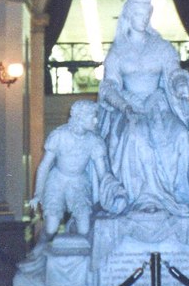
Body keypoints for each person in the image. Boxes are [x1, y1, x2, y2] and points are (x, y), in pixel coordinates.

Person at [98, 0, 189, 215]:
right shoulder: (117, 52)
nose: (143, 19)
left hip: (158, 105)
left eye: (146, 15)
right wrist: (124, 106)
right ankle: (144, 197)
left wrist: (181, 83)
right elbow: (110, 85)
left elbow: (173, 72)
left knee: (180, 134)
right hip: (128, 107)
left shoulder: (162, 47)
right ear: (128, 16)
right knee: (136, 136)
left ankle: (178, 195)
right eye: (138, 14)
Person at [30, 99, 126, 238]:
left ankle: (75, 247)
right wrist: (38, 193)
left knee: (84, 228)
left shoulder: (94, 141)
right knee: (51, 227)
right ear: (80, 118)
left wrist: (114, 190)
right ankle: (45, 253)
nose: (95, 121)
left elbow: (102, 174)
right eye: (92, 117)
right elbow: (44, 166)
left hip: (79, 182)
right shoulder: (59, 135)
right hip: (57, 180)